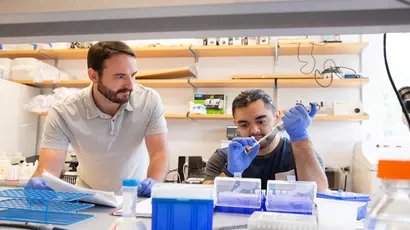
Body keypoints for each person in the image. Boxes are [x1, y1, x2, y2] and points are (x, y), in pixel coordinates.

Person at [24, 41, 169, 197]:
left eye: (133, 75)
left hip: (136, 195)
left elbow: (159, 153)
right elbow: (48, 170)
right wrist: (40, 182)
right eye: (120, 76)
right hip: (88, 197)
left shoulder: (149, 100)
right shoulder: (63, 113)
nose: (130, 85)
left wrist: (154, 182)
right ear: (93, 75)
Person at [204, 89, 328, 192]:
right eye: (244, 125)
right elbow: (203, 198)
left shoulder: (301, 154)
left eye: (261, 121)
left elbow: (320, 195)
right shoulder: (222, 158)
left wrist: (301, 140)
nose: (254, 130)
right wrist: (230, 173)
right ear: (236, 124)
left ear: (277, 117)